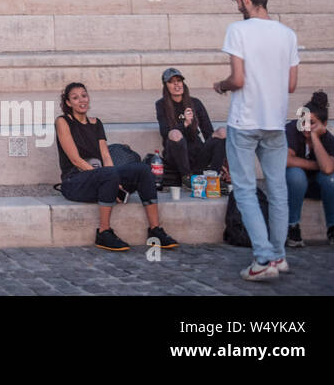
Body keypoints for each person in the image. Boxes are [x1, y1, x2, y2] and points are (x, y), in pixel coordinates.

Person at [213, 0, 298, 280]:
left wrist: (220, 86)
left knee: (246, 191)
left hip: (245, 120)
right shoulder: (287, 34)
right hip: (275, 122)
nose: (237, 5)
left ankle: (262, 258)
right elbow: (291, 84)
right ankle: (278, 256)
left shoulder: (238, 30)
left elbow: (238, 79)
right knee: (278, 191)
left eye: (237, 0)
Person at [56, 81, 179, 252]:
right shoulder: (63, 121)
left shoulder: (96, 123)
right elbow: (76, 160)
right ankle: (103, 232)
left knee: (142, 170)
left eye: (84, 95)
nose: (81, 100)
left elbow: (106, 155)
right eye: (75, 98)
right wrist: (109, 177)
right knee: (109, 174)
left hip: (102, 177)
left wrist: (114, 179)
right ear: (68, 103)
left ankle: (155, 230)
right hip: (75, 181)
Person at [285, 91, 334, 250]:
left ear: (324, 125)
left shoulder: (330, 140)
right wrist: (321, 165)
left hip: (316, 186)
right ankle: (292, 227)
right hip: (292, 187)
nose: (306, 126)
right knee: (295, 174)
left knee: (332, 179)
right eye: (303, 121)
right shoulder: (292, 129)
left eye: (311, 122)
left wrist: (314, 137)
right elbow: (286, 160)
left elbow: (328, 169)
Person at [155, 68, 227, 186]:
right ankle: (187, 178)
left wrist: (221, 159)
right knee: (174, 133)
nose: (177, 84)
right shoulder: (161, 104)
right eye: (172, 82)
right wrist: (185, 124)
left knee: (222, 132)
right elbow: (165, 132)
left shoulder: (195, 103)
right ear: (166, 86)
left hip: (198, 155)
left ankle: (214, 177)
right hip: (176, 156)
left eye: (179, 80)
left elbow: (208, 131)